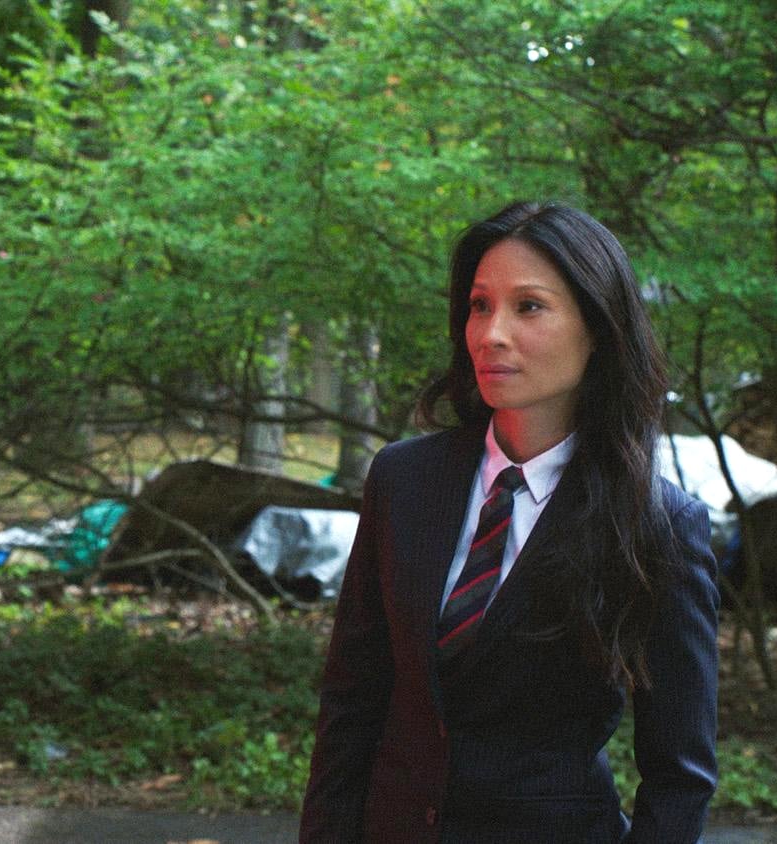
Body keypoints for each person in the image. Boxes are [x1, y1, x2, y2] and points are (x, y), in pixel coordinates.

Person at [299, 201, 719, 842]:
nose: (491, 333)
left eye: (529, 306)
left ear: (598, 328)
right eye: (479, 305)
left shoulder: (656, 525)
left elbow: (679, 775)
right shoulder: (403, 480)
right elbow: (351, 702)